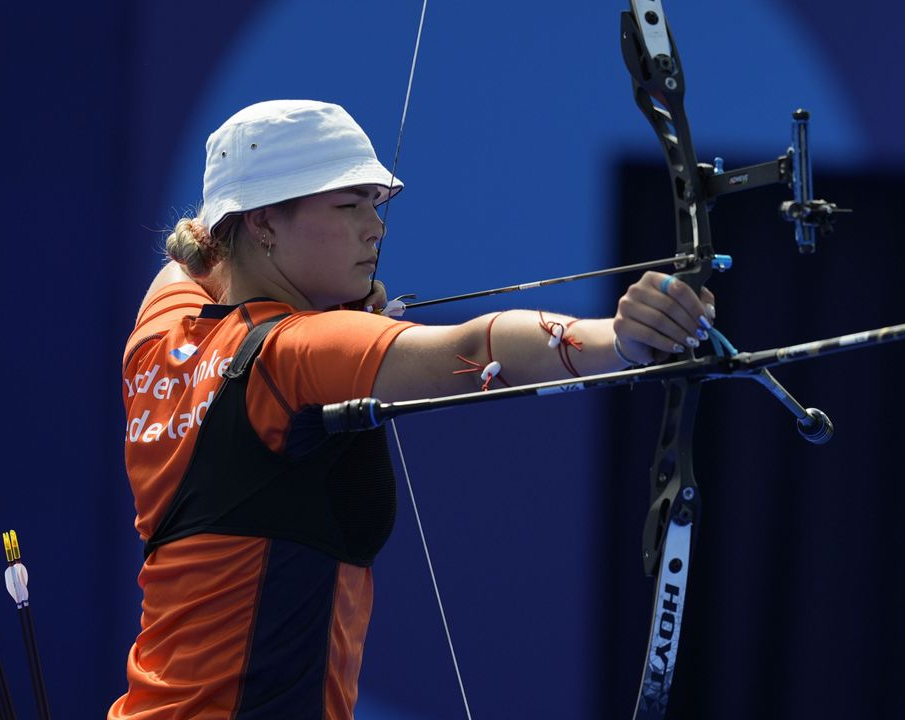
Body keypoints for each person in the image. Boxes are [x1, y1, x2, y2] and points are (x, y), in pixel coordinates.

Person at [110, 99, 715, 718]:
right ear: (264, 221)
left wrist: (323, 301)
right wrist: (621, 340)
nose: (376, 227)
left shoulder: (160, 335)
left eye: (376, 204)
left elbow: (187, 262)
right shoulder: (294, 352)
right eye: (349, 205)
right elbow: (474, 348)